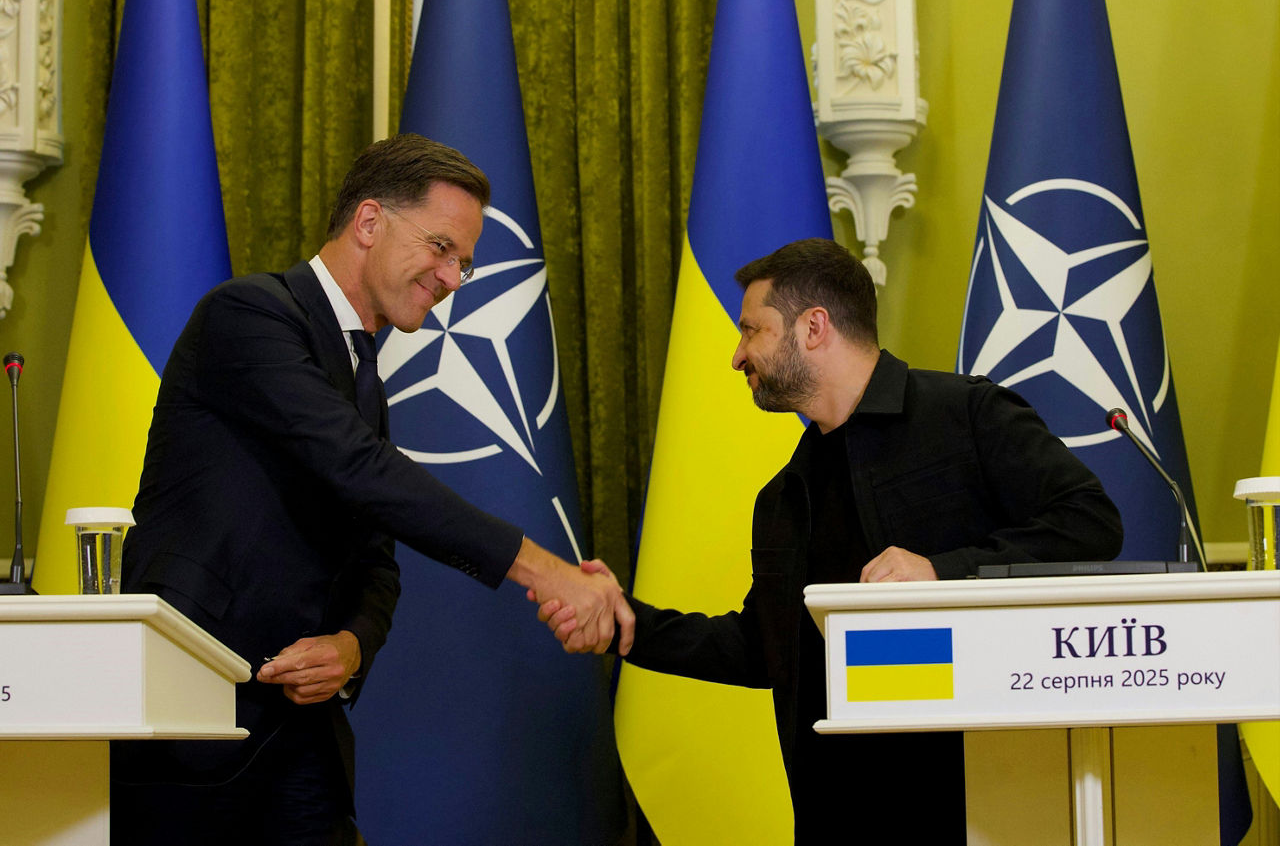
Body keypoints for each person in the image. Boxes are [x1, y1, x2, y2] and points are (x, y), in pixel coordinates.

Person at [110, 134, 633, 846]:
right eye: (443, 247)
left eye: (466, 263)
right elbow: (363, 470)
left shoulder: (362, 375)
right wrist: (545, 570)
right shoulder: (249, 316)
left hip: (302, 740)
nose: (454, 278)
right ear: (368, 222)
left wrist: (352, 646)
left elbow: (376, 558)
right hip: (192, 726)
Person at [542, 238, 1123, 843]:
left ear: (813, 326)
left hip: (986, 801)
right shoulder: (783, 495)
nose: (737, 357)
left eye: (752, 331)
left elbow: (1089, 521)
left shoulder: (969, 414)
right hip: (834, 810)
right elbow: (760, 648)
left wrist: (942, 572)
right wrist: (623, 622)